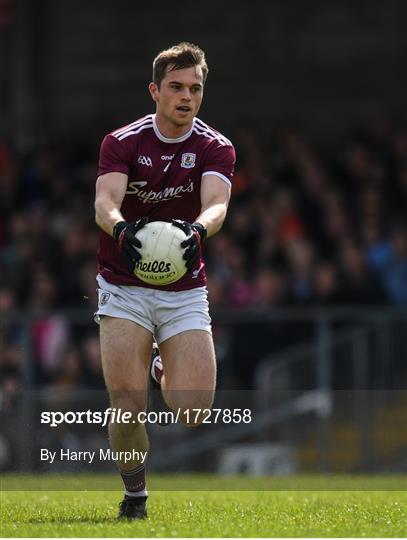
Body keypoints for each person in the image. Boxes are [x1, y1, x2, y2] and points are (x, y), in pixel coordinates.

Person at [94, 42, 235, 519]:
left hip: (183, 290)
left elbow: (217, 203)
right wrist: (120, 227)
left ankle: (160, 365)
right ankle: (135, 497)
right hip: (123, 284)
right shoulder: (123, 142)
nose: (186, 97)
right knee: (128, 405)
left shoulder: (216, 147)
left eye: (195, 89)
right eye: (176, 87)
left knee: (193, 410)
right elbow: (104, 201)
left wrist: (199, 227)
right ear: (155, 90)